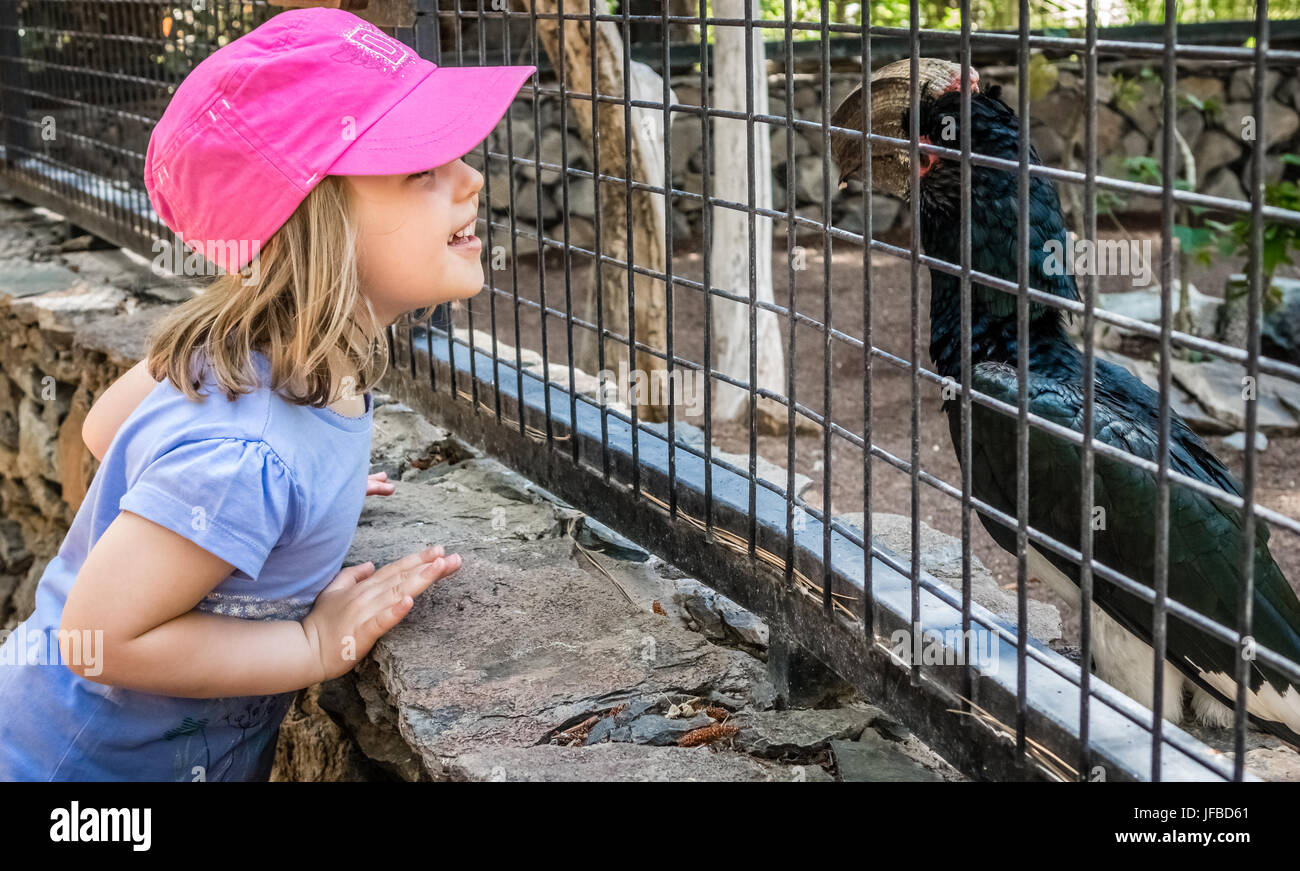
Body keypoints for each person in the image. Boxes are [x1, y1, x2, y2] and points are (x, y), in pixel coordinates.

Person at [0, 7, 536, 781]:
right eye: (421, 167)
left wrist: (286, 510)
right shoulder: (247, 455)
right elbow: (101, 636)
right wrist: (312, 646)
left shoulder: (254, 372)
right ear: (315, 226)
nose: (471, 176)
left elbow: (104, 434)